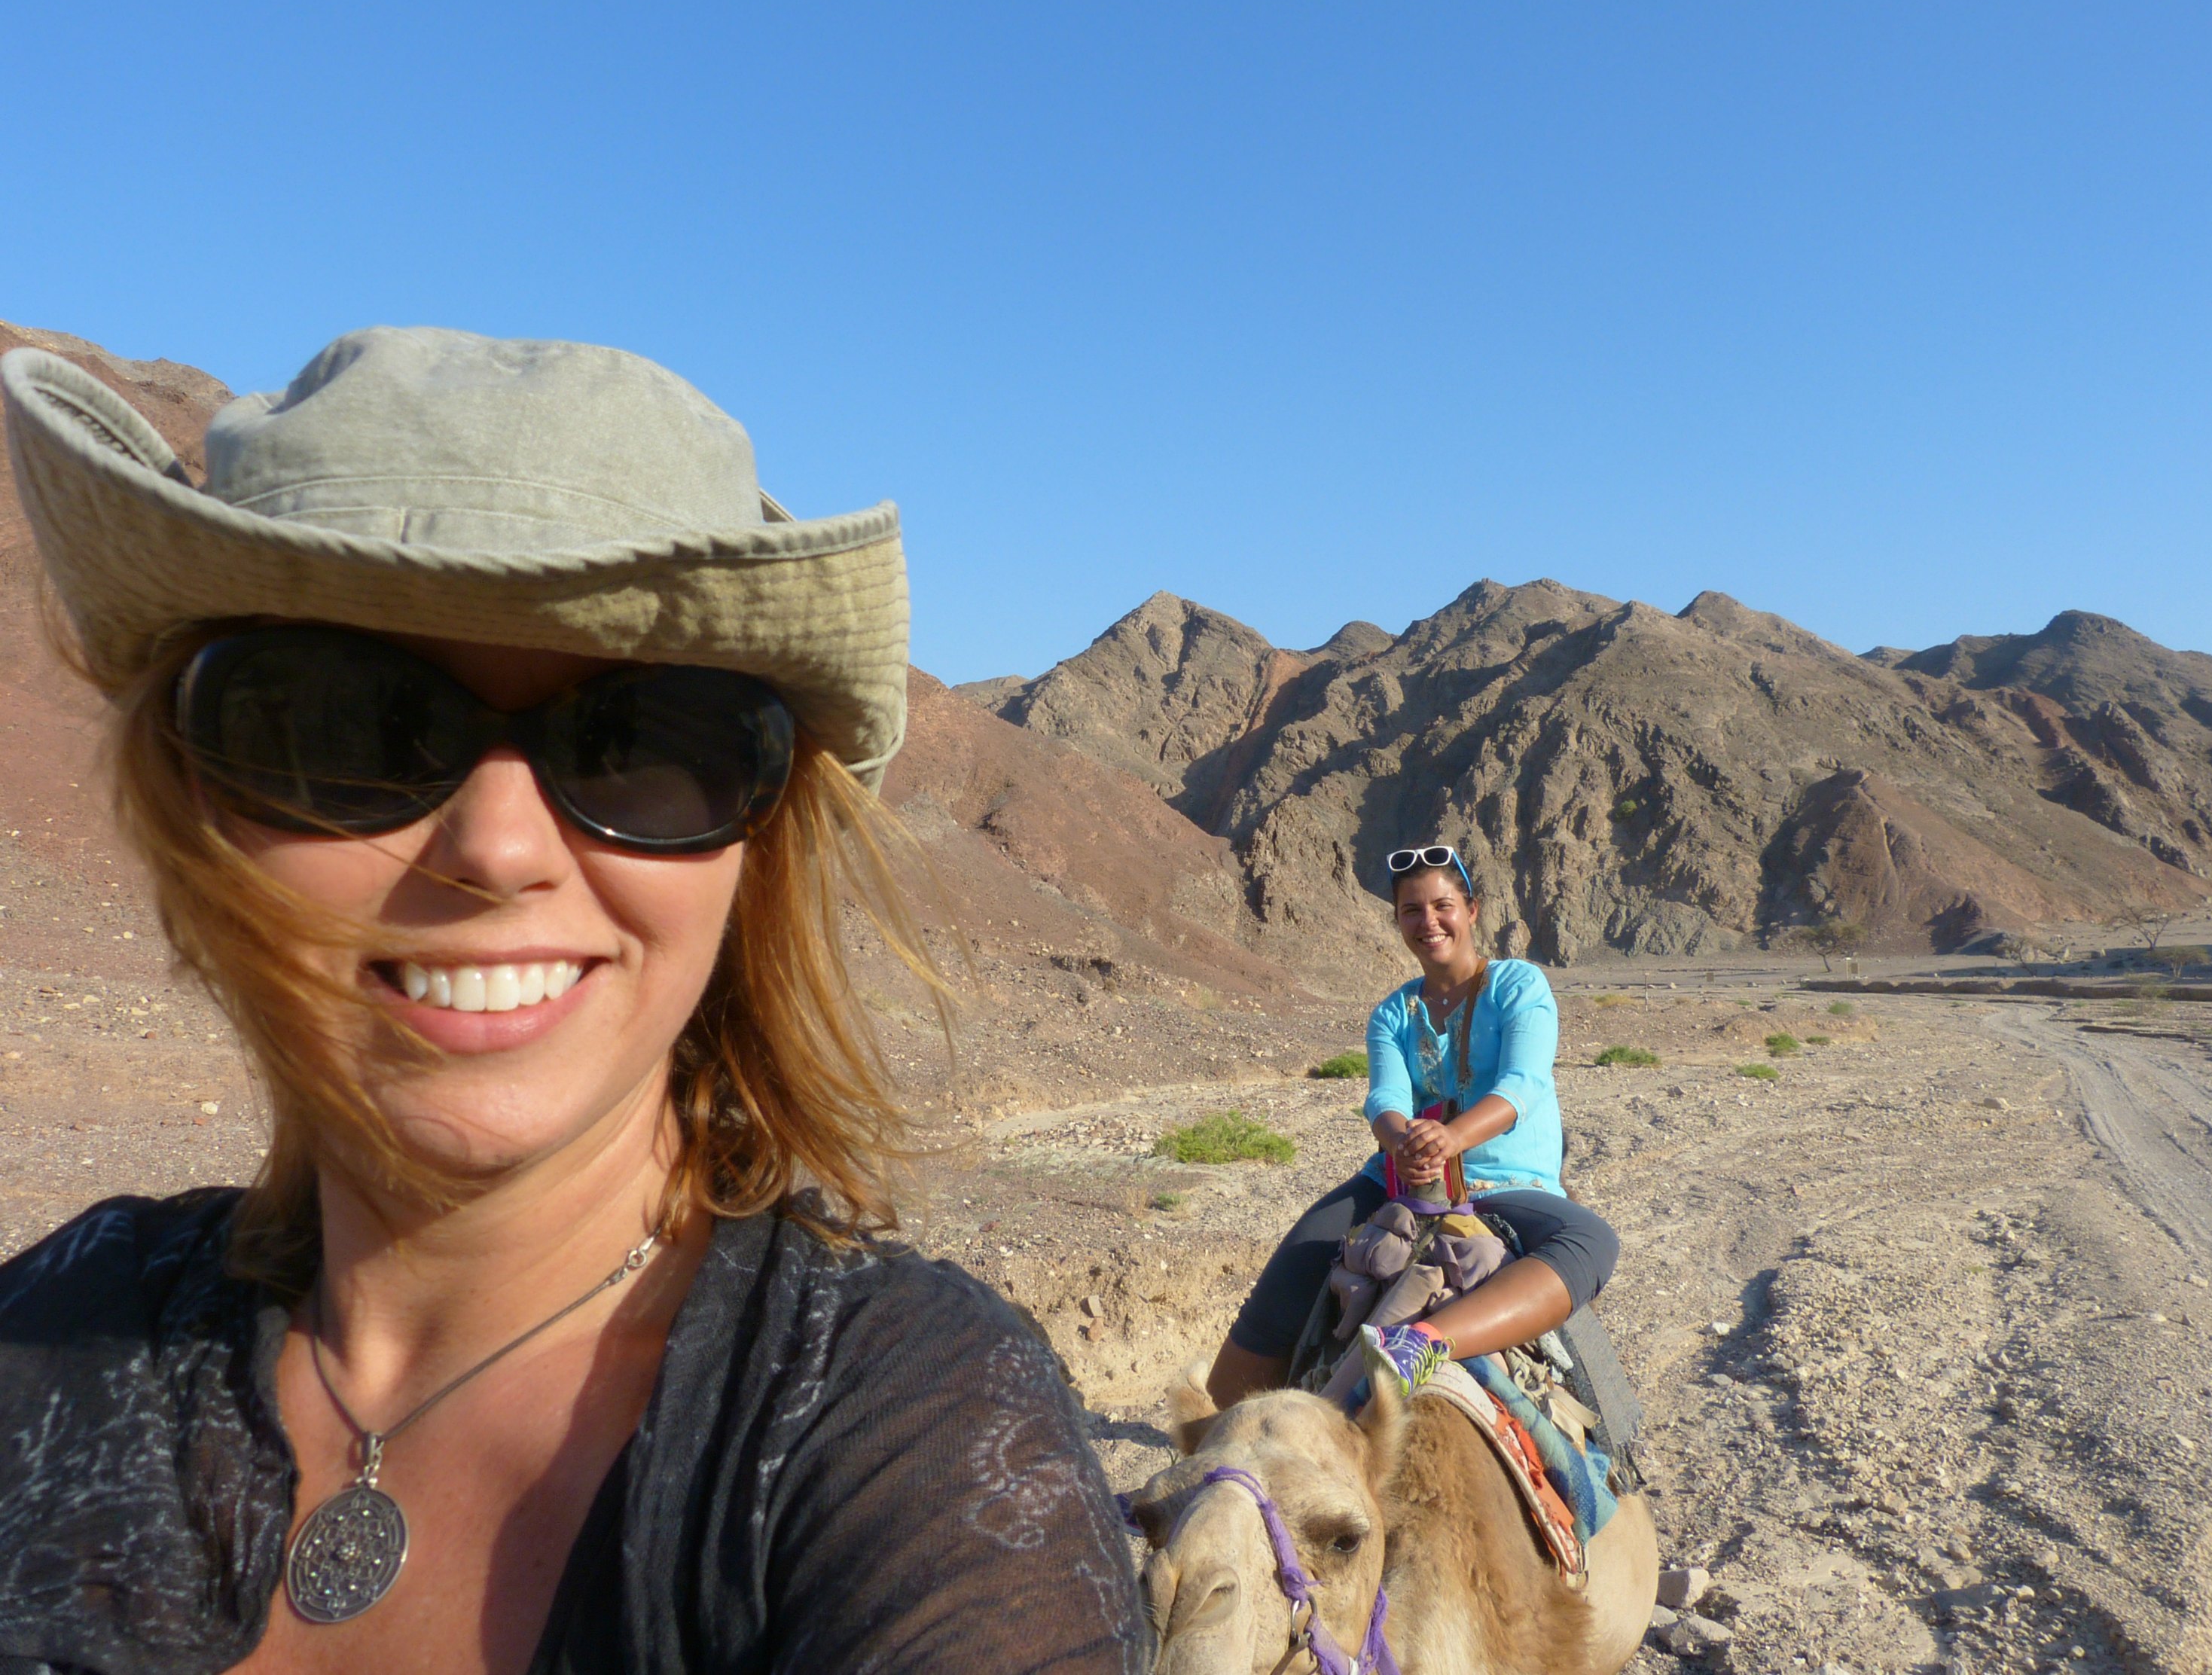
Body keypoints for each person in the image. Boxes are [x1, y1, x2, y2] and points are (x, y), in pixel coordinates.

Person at [0, 328, 1149, 1674]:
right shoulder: (54, 1331)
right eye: (347, 729)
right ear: (194, 801)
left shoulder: (914, 1451)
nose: (497, 848)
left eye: (641, 741)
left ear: (753, 853)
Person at [1206, 844, 1620, 1408]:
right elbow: (1384, 1098)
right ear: (1398, 921)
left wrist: (1453, 1138)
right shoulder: (1392, 1013)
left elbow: (1523, 1084)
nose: (1429, 922)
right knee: (1298, 1261)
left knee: (1592, 1240)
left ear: (1472, 910)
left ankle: (1423, 1343)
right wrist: (1399, 1138)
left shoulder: (1518, 986)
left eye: (1443, 906)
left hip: (1507, 1181)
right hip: (1398, 1181)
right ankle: (1233, 1421)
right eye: (1412, 911)